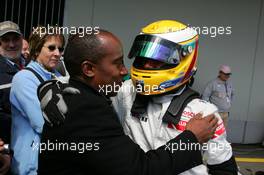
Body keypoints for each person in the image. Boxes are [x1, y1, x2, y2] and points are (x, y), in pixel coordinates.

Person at [37, 29, 218, 175]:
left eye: (157, 62)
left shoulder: (76, 95)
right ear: (89, 69)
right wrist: (191, 139)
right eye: (117, 63)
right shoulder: (90, 109)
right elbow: (140, 169)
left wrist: (47, 86)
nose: (125, 71)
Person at [112, 20, 238, 175]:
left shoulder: (203, 112)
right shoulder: (126, 91)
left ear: (185, 59)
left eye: (157, 59)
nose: (146, 66)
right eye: (143, 57)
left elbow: (224, 168)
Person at [10, 26, 65, 174]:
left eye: (60, 49)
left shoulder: (60, 78)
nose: (57, 53)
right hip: (31, 166)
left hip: (54, 162)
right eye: (51, 48)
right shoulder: (24, 78)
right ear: (36, 50)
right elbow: (43, 122)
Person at [0, 21, 24, 145]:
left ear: (22, 39)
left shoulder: (33, 64)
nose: (11, 44)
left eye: (15, 39)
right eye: (6, 40)